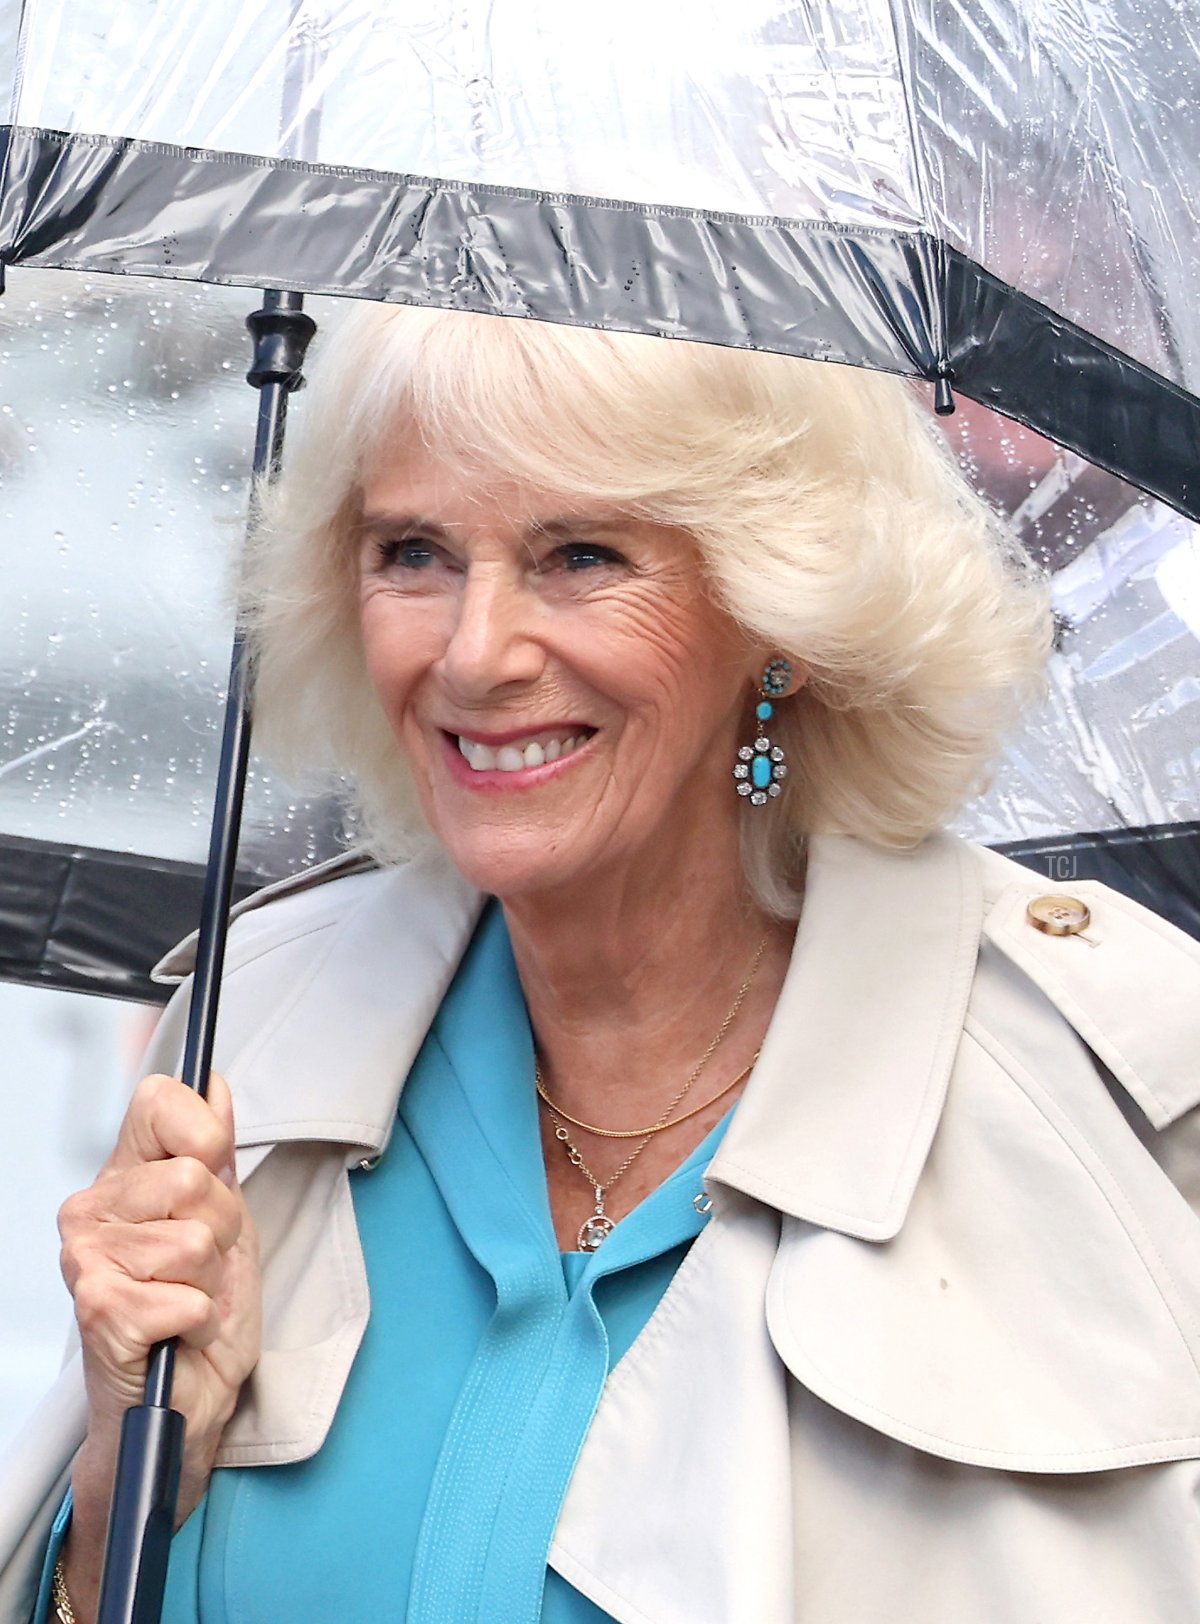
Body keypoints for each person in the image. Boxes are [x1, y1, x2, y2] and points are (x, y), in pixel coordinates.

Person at [4, 306, 1200, 1624]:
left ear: (779, 611)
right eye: (414, 552)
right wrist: (124, 1485)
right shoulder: (251, 1038)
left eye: (580, 554)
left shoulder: (1113, 1102)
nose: (474, 652)